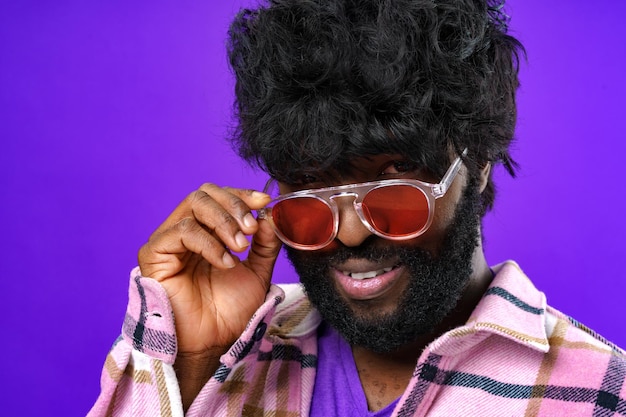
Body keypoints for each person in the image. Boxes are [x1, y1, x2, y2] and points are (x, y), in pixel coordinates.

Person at [89, 0, 626, 416]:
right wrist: (194, 364)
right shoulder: (228, 347)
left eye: (393, 185)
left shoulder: (599, 393)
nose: (346, 234)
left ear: (477, 161)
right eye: (309, 187)